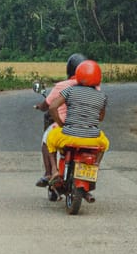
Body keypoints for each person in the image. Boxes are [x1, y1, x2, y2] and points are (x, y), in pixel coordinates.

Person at [44, 59, 109, 196]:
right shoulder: (102, 96)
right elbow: (101, 117)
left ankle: (55, 171)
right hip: (92, 138)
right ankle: (95, 166)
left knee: (49, 139)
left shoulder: (70, 90)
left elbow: (52, 107)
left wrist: (61, 124)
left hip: (69, 134)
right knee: (105, 144)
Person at [35, 53, 86, 186]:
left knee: (47, 140)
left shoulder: (63, 86)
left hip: (66, 127)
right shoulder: (94, 87)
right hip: (87, 128)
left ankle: (50, 172)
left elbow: (49, 106)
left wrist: (60, 122)